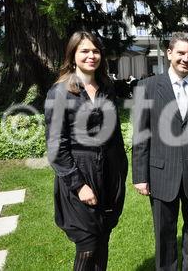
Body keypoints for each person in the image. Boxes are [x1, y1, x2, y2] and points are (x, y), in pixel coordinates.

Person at [131, 32, 188, 271]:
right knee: (164, 234)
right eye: (181, 52)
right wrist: (140, 176)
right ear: (169, 53)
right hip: (161, 173)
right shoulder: (147, 87)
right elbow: (141, 135)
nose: (186, 58)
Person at [44, 31, 128, 270]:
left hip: (109, 175)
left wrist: (121, 171)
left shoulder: (106, 87)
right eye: (85, 51)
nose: (91, 56)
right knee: (87, 244)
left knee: (103, 238)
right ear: (72, 55)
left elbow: (115, 133)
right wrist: (79, 185)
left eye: (96, 51)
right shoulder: (59, 92)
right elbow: (56, 146)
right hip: (80, 173)